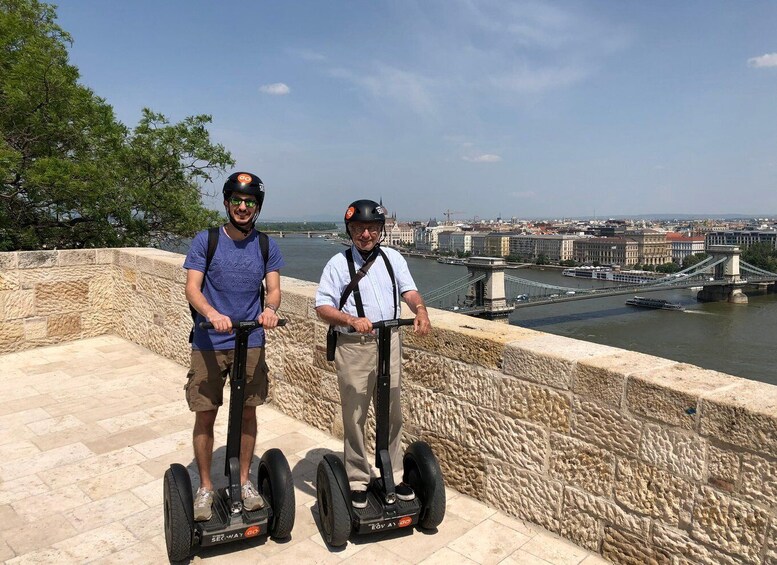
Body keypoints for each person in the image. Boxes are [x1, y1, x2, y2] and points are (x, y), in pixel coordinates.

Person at [315, 199, 431, 509]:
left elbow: (409, 291)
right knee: (355, 414)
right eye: (359, 228)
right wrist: (350, 319)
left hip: (389, 342)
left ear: (381, 230)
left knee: (392, 412)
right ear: (350, 231)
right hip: (354, 346)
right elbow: (322, 307)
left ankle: (393, 473)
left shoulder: (393, 258)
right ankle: (357, 478)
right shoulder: (337, 264)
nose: (366, 234)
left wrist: (420, 310)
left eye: (372, 228)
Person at [183, 171, 285, 521]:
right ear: (227, 203)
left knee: (248, 412)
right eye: (237, 201)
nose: (243, 207)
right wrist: (212, 313)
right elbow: (192, 288)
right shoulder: (207, 240)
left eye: (250, 202)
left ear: (257, 207)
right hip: (209, 342)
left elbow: (274, 289)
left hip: (251, 340)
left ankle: (242, 481)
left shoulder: (266, 245)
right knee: (205, 413)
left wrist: (270, 310)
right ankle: (205, 487)